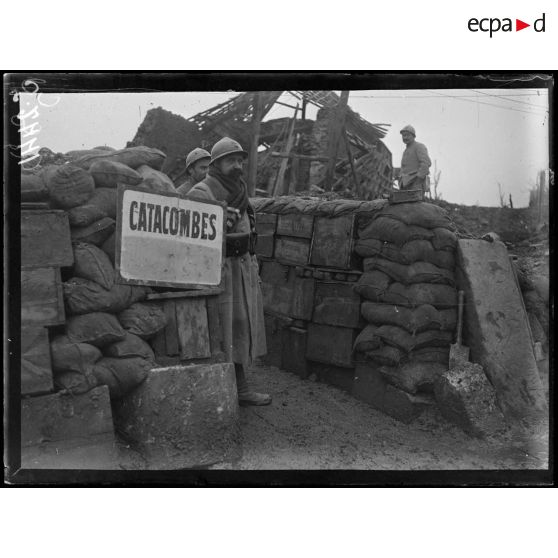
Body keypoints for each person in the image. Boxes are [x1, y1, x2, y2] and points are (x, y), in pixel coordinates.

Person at [187, 137, 271, 406]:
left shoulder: (242, 192)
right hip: (220, 271)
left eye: (239, 160)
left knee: (240, 328)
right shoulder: (202, 192)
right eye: (230, 160)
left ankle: (241, 389)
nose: (236, 165)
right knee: (222, 331)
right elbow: (194, 239)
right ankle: (222, 392)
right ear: (216, 164)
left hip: (243, 268)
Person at [399, 125, 432, 191]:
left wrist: (418, 180)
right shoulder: (406, 151)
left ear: (413, 136)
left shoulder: (419, 146)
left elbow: (426, 163)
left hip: (415, 184)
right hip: (405, 185)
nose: (405, 137)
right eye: (403, 135)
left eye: (407, 135)